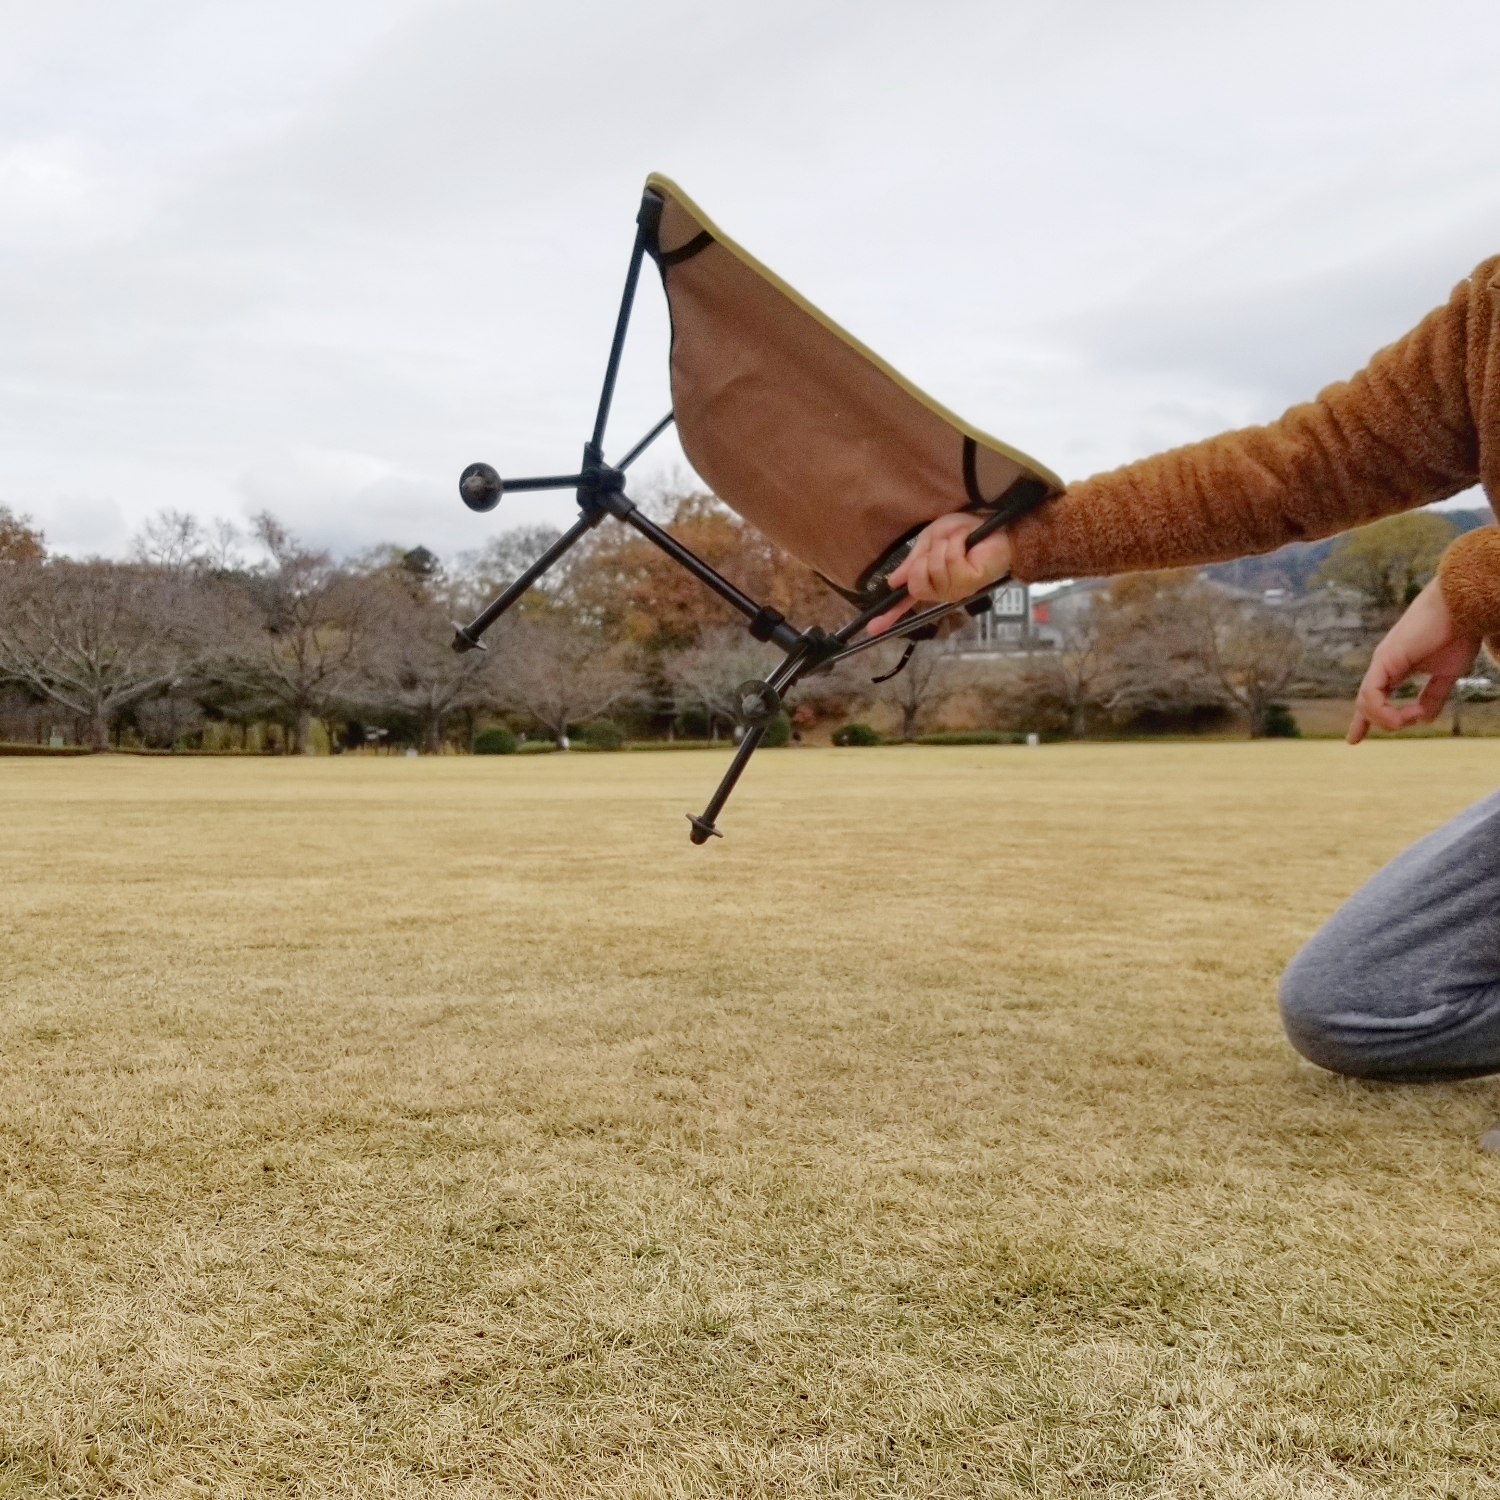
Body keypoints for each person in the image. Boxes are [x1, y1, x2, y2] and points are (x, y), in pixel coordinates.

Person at [871, 254, 1500, 1097]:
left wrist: (1470, 583)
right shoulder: (1488, 316)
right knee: (1355, 1003)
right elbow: (1293, 466)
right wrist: (1018, 544)